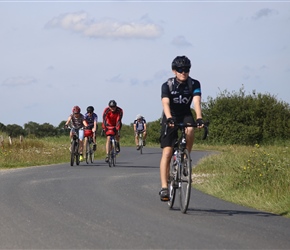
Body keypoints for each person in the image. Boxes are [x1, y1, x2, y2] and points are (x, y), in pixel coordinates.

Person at [159, 55, 204, 202]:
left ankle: (185, 157)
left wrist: (199, 118)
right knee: (167, 152)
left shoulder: (194, 83)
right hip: (170, 115)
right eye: (180, 69)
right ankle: (165, 187)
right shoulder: (167, 85)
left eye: (186, 69)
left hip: (185, 113)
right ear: (174, 71)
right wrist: (169, 118)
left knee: (190, 129)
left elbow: (197, 101)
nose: (183, 72)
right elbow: (165, 103)